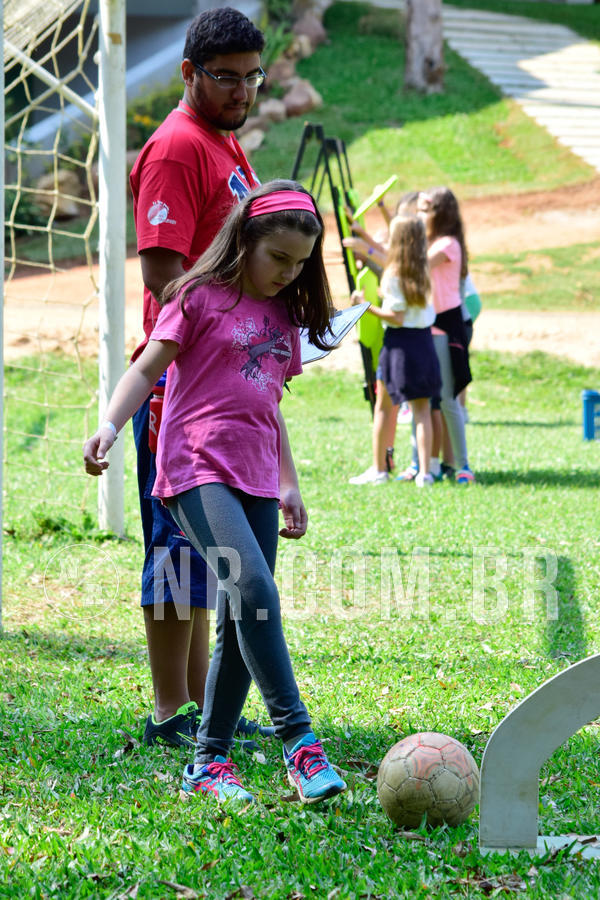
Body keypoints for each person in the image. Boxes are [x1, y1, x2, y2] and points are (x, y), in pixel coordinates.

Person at [84, 180, 347, 805]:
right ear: (245, 241)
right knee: (255, 590)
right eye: (278, 258)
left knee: (239, 616)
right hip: (194, 471)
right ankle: (300, 742)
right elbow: (146, 368)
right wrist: (108, 427)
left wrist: (288, 483)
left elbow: (269, 402)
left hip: (257, 477)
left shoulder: (284, 316)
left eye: (300, 263)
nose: (288, 273)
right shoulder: (196, 296)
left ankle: (208, 764)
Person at [128, 7, 275, 748]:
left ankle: (201, 705)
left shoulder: (224, 139)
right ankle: (170, 714)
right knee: (173, 545)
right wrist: (229, 330)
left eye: (253, 76)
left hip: (224, 383)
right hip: (177, 387)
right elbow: (163, 272)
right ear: (188, 73)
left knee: (208, 557)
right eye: (226, 77)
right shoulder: (178, 147)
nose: (242, 90)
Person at [348, 215, 441, 487]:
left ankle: (379, 470)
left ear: (398, 240)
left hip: (398, 345)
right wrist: (364, 237)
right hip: (423, 342)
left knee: (384, 408)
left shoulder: (393, 274)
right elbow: (384, 254)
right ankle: (425, 474)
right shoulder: (424, 269)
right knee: (422, 410)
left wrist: (365, 306)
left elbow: (396, 317)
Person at [417, 187, 475, 485]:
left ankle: (463, 465)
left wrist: (372, 247)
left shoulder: (448, 244)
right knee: (427, 401)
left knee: (449, 400)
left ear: (440, 213)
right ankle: (429, 465)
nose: (421, 215)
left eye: (426, 210)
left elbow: (416, 265)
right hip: (428, 326)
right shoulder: (432, 242)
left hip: (446, 328)